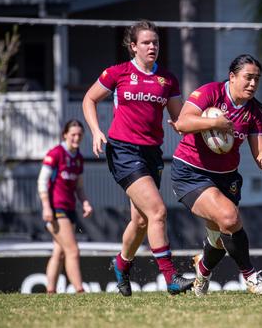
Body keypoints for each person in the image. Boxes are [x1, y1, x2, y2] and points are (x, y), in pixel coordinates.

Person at [82, 20, 193, 296]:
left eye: (155, 42)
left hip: (152, 153)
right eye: (146, 42)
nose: (152, 46)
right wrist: (96, 131)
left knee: (142, 221)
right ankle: (170, 278)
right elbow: (89, 99)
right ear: (133, 47)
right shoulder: (117, 73)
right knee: (158, 211)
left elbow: (179, 119)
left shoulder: (167, 79)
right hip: (122, 151)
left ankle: (121, 264)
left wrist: (201, 127)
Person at [169, 54, 262, 296]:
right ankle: (251, 277)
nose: (252, 84)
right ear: (232, 77)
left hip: (226, 178)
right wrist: (214, 124)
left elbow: (261, 150)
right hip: (191, 173)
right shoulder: (210, 93)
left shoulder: (254, 112)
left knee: (219, 237)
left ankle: (202, 272)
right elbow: (182, 123)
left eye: (257, 79)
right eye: (248, 78)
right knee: (229, 218)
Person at [38, 119, 93, 294]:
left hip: (70, 209)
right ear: (65, 135)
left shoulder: (78, 158)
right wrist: (46, 207)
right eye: (73, 135)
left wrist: (85, 202)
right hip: (56, 210)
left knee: (59, 252)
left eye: (79, 135)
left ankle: (50, 290)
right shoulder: (55, 154)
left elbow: (79, 186)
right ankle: (79, 290)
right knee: (73, 250)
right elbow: (42, 182)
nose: (76, 138)